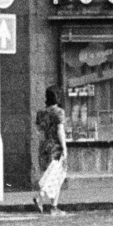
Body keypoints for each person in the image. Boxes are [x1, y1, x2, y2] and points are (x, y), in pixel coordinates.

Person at [33, 85, 68, 215]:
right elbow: (60, 130)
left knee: (51, 175)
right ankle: (41, 197)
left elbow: (39, 131)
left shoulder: (41, 114)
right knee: (56, 176)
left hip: (44, 146)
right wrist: (64, 148)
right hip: (56, 147)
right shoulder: (59, 112)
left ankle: (53, 206)